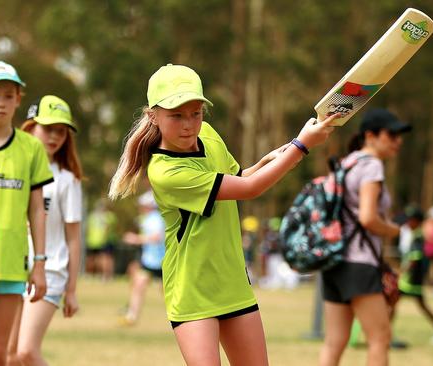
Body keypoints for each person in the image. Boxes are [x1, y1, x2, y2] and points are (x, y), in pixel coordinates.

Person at [108, 63, 336, 365]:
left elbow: (239, 177)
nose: (189, 124)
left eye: (196, 113)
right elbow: (250, 189)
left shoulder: (209, 134)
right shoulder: (165, 170)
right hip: (193, 290)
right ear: (153, 115)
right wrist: (301, 146)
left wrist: (273, 158)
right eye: (176, 115)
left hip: (231, 282)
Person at [0, 61, 53, 365]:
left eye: (8, 95)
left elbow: (36, 209)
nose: (1, 103)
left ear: (19, 99)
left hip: (11, 259)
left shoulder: (32, 148)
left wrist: (40, 263)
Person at [319, 108, 411, 366]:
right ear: (370, 136)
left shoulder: (346, 164)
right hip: (359, 262)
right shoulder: (371, 166)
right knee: (380, 337)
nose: (398, 141)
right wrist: (394, 229)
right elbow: (368, 218)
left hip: (334, 260)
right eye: (392, 135)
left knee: (334, 341)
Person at [6, 95, 84, 364]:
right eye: (48, 128)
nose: (54, 137)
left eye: (60, 131)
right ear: (31, 126)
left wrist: (71, 289)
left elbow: (74, 238)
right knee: (10, 355)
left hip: (51, 273)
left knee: (26, 351)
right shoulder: (12, 168)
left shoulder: (67, 179)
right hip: (11, 269)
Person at [397, 205, 433, 346]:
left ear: (417, 221)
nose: (407, 222)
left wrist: (401, 271)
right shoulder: (417, 234)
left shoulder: (418, 236)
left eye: (410, 220)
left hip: (411, 279)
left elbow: (414, 259)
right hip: (412, 279)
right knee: (400, 304)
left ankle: (384, 334)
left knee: (392, 304)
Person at [119, 190, 166, 326]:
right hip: (149, 261)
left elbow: (157, 238)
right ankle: (131, 316)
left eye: (143, 205)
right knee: (138, 285)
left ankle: (182, 316)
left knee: (169, 294)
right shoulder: (147, 219)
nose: (140, 207)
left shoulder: (155, 218)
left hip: (161, 261)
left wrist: (136, 239)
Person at [85, 199, 118, 281]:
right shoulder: (94, 216)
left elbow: (108, 228)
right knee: (95, 259)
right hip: (95, 241)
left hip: (103, 241)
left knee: (103, 259)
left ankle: (105, 275)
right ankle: (95, 275)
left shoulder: (108, 216)